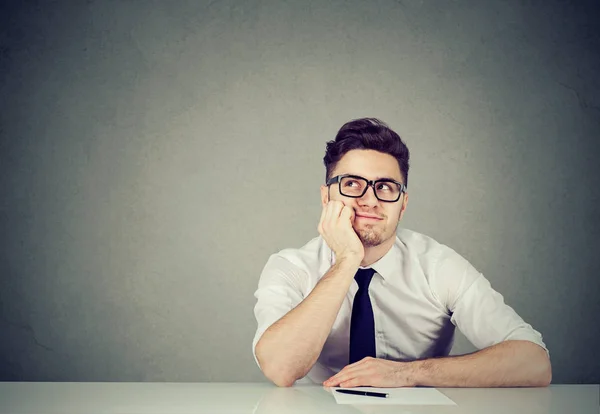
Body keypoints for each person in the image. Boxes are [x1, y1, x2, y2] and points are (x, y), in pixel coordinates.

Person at [252, 118, 551, 388]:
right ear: (326, 196)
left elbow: (534, 363)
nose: (369, 200)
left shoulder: (437, 266)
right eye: (352, 184)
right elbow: (281, 369)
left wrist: (405, 373)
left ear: (403, 203)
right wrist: (347, 260)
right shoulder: (290, 267)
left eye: (385, 186)